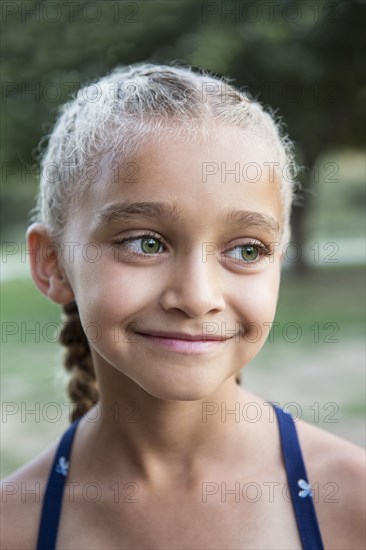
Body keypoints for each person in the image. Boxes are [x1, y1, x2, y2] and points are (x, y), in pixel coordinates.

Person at [1, 63, 364, 550]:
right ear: (53, 264)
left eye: (247, 250)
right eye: (146, 243)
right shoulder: (12, 525)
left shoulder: (352, 504)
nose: (197, 296)